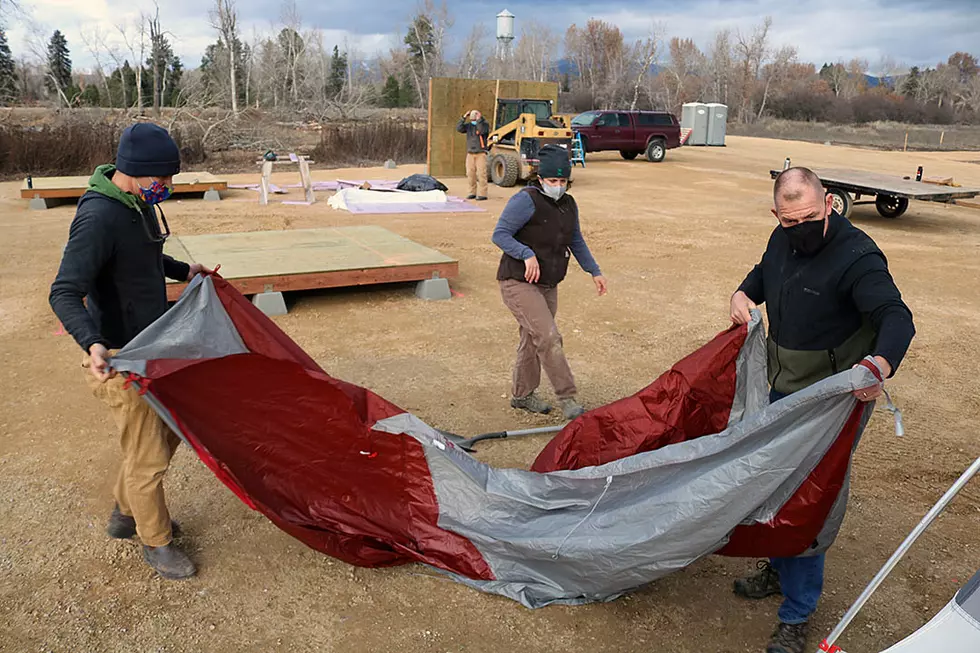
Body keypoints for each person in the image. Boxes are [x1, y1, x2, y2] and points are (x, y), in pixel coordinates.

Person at [728, 167, 916, 653]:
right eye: (791, 221)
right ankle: (777, 565)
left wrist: (880, 363)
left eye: (811, 216)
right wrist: (742, 293)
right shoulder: (780, 237)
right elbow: (764, 274)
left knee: (810, 496)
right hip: (782, 387)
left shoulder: (857, 256)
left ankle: (797, 614)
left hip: (833, 400)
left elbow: (896, 316)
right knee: (773, 481)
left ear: (829, 202)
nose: (802, 228)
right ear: (777, 215)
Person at [49, 123, 212, 580]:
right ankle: (156, 542)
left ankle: (125, 515)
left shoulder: (135, 204)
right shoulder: (100, 217)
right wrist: (93, 343)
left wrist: (184, 270)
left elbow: (142, 256)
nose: (170, 187)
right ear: (138, 172)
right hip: (120, 356)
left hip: (151, 344)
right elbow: (63, 291)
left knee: (162, 436)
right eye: (164, 178)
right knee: (149, 457)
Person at [492, 144, 608, 420]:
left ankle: (522, 395)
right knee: (548, 336)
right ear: (540, 178)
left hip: (548, 282)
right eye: (552, 181)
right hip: (518, 280)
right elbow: (500, 234)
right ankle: (567, 397)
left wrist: (594, 271)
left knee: (532, 339)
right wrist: (526, 254)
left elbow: (575, 240)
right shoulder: (526, 200)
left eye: (562, 181)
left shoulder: (569, 204)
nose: (557, 186)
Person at [456, 109, 490, 201]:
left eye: (474, 119)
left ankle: (483, 193)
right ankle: (472, 192)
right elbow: (459, 128)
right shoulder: (469, 126)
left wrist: (479, 120)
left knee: (481, 174)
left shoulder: (484, 125)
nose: (473, 121)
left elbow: (481, 131)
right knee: (470, 173)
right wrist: (463, 117)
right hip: (470, 153)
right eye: (472, 119)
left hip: (480, 153)